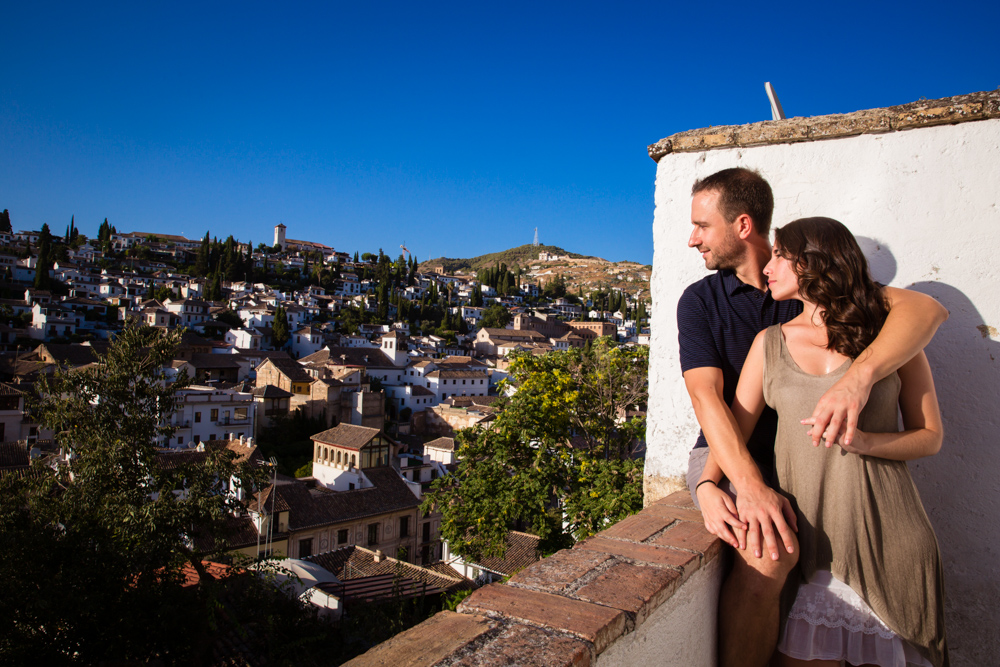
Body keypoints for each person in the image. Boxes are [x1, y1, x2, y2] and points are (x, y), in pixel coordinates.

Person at [678, 168, 948, 667]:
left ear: (742, 225)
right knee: (767, 554)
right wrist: (724, 484)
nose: (692, 239)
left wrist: (858, 379)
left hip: (824, 476)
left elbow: (926, 311)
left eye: (701, 225)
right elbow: (707, 400)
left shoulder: (829, 306)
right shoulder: (704, 302)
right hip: (729, 450)